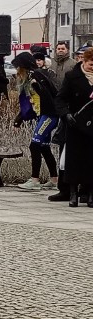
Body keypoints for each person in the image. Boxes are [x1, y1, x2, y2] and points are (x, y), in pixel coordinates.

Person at [11, 52, 59, 192]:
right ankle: (54, 179)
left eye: (18, 67)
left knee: (35, 145)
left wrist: (37, 87)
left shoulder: (35, 76)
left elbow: (49, 94)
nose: (16, 71)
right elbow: (28, 104)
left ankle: (34, 180)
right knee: (44, 146)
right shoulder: (30, 78)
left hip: (49, 115)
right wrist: (18, 121)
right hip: (42, 115)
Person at [56, 47, 93, 207]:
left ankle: (91, 194)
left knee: (91, 161)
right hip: (75, 124)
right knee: (74, 160)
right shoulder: (72, 77)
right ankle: (73, 193)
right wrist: (66, 114)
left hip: (92, 126)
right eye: (91, 64)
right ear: (84, 61)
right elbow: (60, 99)